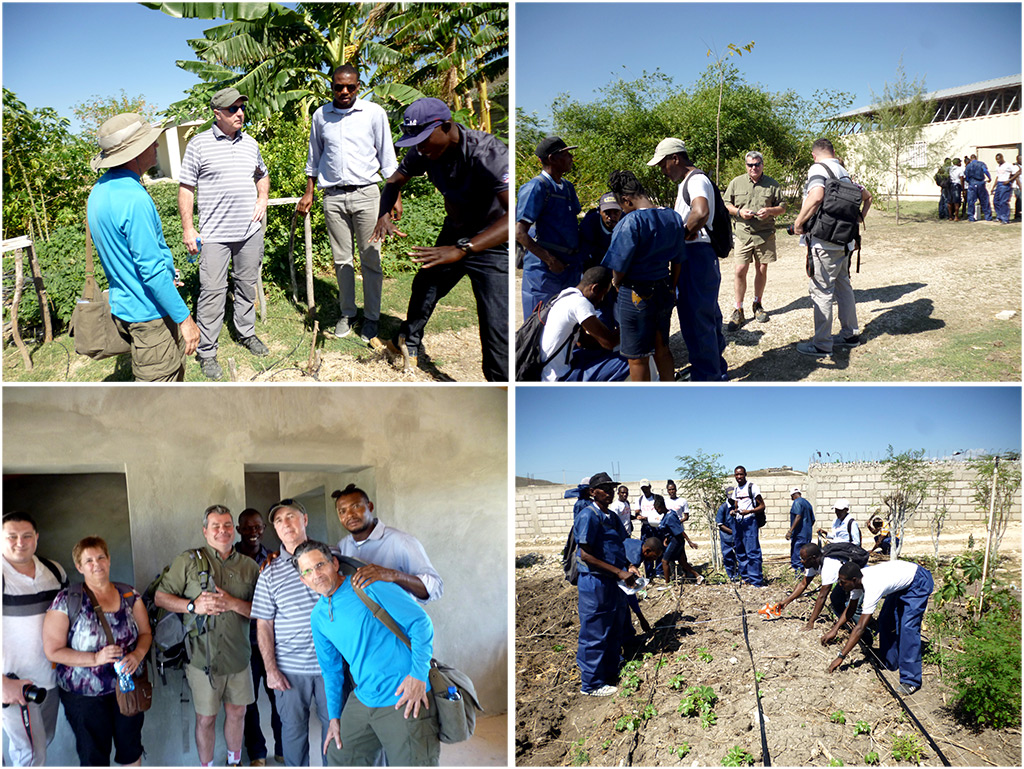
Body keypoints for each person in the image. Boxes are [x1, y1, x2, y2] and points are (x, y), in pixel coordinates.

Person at [372, 97, 509, 381]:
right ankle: (408, 341)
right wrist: (383, 213)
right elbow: (394, 181)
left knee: (496, 327)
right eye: (414, 141)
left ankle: (500, 389)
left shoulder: (488, 153)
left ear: (446, 127)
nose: (418, 147)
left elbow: (516, 216)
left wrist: (464, 249)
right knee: (426, 285)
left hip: (492, 241)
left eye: (423, 139)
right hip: (455, 232)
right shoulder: (424, 152)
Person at [296, 540, 439, 766]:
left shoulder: (367, 585)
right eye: (308, 571)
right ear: (303, 580)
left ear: (334, 563)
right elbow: (331, 671)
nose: (316, 575)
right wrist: (334, 718)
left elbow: (421, 623)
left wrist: (419, 675)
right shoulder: (318, 617)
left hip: (404, 693)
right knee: (340, 755)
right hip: (364, 697)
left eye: (320, 565)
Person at [87, 113, 201, 380]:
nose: (157, 146)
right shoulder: (133, 199)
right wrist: (185, 319)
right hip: (149, 314)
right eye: (151, 143)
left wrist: (165, 277)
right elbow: (150, 271)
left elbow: (121, 254)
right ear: (135, 153)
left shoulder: (99, 191)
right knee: (159, 398)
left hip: (125, 305)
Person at [298, 64, 398, 344]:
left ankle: (372, 318)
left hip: (368, 194)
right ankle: (347, 312)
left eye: (350, 87)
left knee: (370, 257)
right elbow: (313, 158)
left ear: (357, 86)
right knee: (342, 259)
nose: (344, 92)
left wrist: (394, 197)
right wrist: (309, 192)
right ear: (331, 86)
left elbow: (388, 158)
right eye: (338, 87)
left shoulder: (374, 113)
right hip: (333, 197)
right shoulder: (321, 115)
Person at [154, 505, 259, 767]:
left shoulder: (249, 566)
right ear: (205, 530)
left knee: (237, 713)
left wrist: (234, 603)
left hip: (239, 658)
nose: (222, 530)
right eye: (215, 526)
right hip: (201, 659)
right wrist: (192, 606)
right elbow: (160, 597)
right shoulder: (188, 561)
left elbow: (261, 612)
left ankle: (234, 763)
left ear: (233, 529)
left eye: (226, 525)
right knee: (206, 718)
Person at [178, 87, 270, 380]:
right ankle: (207, 351)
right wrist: (188, 228)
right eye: (233, 109)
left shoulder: (250, 144)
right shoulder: (198, 145)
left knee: (246, 285)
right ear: (217, 113)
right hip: (215, 234)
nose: (240, 113)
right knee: (212, 293)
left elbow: (262, 173)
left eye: (242, 108)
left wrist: (262, 199)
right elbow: (186, 188)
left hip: (249, 232)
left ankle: (246, 333)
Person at [42, 537, 150, 767]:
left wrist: (137, 655)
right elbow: (52, 651)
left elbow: (146, 634)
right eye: (88, 560)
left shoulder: (130, 595)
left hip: (127, 689)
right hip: (84, 697)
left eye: (101, 557)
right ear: (79, 567)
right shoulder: (67, 601)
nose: (96, 564)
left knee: (131, 750)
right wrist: (95, 658)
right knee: (94, 757)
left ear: (109, 560)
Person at [251, 501, 333, 766]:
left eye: (291, 517)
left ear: (305, 519)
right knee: (293, 736)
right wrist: (271, 669)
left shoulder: (330, 559)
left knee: (335, 731)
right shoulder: (269, 572)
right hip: (289, 671)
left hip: (331, 667)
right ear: (274, 529)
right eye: (278, 521)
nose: (285, 524)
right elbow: (263, 624)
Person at [648, 138, 728, 381]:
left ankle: (707, 378)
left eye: (664, 165)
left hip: (695, 256)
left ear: (676, 158)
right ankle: (715, 369)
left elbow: (700, 212)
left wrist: (679, 236)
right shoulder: (691, 181)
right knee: (706, 316)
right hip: (699, 257)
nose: (663, 171)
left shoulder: (696, 180)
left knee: (696, 320)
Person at [601, 170, 684, 381]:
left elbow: (619, 264)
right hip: (664, 288)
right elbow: (678, 260)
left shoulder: (630, 223)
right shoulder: (672, 217)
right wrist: (671, 287)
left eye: (621, 205)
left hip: (635, 293)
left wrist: (616, 283)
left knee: (637, 357)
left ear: (626, 200)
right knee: (662, 348)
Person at [792, 138, 872, 358]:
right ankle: (850, 335)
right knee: (843, 287)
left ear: (814, 155)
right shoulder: (843, 171)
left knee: (822, 291)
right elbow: (867, 197)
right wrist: (856, 222)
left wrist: (798, 224)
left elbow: (816, 196)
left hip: (824, 242)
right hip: (845, 241)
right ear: (833, 152)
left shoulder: (817, 169)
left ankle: (822, 344)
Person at [2, 512, 67, 767]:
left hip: (50, 679)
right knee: (31, 756)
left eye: (27, 536)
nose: (20, 542)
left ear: (37, 538)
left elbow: (67, 619)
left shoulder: (54, 570)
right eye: (12, 536)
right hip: (14, 684)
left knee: (43, 740)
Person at [824, 560, 933, 695]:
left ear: (853, 580)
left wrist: (841, 656)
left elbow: (860, 627)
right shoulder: (856, 583)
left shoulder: (872, 586)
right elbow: (851, 609)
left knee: (908, 628)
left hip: (918, 581)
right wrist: (834, 629)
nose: (839, 585)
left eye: (842, 582)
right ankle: (890, 661)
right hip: (901, 581)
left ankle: (911, 680)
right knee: (885, 620)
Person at [572, 472, 633, 696]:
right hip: (594, 581)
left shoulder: (612, 516)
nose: (609, 492)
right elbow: (586, 555)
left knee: (612, 626)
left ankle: (609, 673)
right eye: (604, 488)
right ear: (592, 492)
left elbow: (619, 544)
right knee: (594, 632)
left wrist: (629, 565)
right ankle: (591, 684)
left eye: (612, 488)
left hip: (612, 580)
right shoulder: (589, 516)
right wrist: (619, 571)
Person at [333, 484, 443, 603]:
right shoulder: (342, 545)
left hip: (396, 620)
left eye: (356, 506)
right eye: (342, 511)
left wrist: (393, 575)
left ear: (370, 507)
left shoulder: (401, 541)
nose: (349, 515)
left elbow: (435, 587)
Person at [517, 137, 584, 316]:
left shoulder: (568, 188)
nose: (571, 158)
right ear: (552, 158)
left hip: (569, 269)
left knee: (566, 323)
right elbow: (519, 233)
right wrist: (550, 260)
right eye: (566, 154)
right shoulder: (535, 188)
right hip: (543, 273)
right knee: (538, 325)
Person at [235, 509, 282, 766]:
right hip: (241, 644)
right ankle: (257, 753)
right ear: (239, 529)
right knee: (248, 703)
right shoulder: (228, 559)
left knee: (280, 699)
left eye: (258, 527)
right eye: (248, 528)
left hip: (272, 643)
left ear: (264, 528)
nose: (253, 532)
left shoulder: (275, 559)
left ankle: (283, 748)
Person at [723, 151, 786, 329]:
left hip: (765, 234)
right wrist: (739, 212)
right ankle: (738, 309)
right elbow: (726, 204)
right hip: (743, 233)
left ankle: (757, 304)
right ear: (746, 166)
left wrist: (770, 211)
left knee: (761, 268)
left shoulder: (772, 184)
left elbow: (783, 206)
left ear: (762, 165)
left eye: (757, 164)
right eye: (750, 165)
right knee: (740, 270)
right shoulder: (736, 182)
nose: (754, 168)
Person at [538, 266, 629, 382]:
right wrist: (630, 326)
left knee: (602, 352)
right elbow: (609, 342)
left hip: (546, 371)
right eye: (603, 295)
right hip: (560, 377)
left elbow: (583, 341)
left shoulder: (564, 296)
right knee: (631, 358)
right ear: (595, 289)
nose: (601, 300)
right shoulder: (580, 303)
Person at [776, 543, 854, 629]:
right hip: (846, 582)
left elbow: (822, 596)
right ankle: (848, 625)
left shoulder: (829, 566)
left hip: (857, 581)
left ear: (813, 558)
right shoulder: (813, 564)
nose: (801, 561)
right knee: (835, 599)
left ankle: (866, 630)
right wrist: (786, 601)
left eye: (803, 559)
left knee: (854, 607)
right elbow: (803, 584)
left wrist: (811, 622)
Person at [728, 466, 765, 587]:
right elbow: (736, 506)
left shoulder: (752, 487)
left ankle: (756, 580)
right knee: (741, 551)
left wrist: (749, 512)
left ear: (745, 474)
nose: (738, 477)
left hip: (750, 521)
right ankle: (745, 578)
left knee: (752, 551)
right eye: (736, 475)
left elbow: (762, 506)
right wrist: (734, 511)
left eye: (741, 474)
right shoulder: (736, 490)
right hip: (738, 523)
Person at [654, 494, 702, 585]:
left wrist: (689, 541)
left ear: (660, 507)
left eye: (657, 509)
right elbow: (671, 530)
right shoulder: (670, 513)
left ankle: (667, 583)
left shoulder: (670, 517)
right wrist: (667, 539)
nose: (657, 511)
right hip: (674, 540)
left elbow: (679, 531)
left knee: (664, 561)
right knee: (682, 562)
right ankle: (698, 576)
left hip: (676, 541)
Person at [622, 537, 663, 636]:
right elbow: (629, 592)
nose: (655, 560)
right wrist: (641, 618)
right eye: (654, 557)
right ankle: (627, 640)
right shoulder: (634, 558)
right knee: (622, 608)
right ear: (647, 550)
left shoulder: (637, 544)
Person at [579, 192, 623, 270]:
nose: (611, 217)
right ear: (600, 211)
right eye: (607, 213)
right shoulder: (589, 224)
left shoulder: (628, 222)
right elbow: (584, 255)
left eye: (616, 212)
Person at [785, 487, 816, 576]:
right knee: (806, 554)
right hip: (807, 534)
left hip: (799, 535)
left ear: (793, 495)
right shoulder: (807, 503)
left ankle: (798, 575)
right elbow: (813, 520)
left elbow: (798, 516)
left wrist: (790, 531)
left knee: (797, 555)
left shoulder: (797, 502)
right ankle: (807, 574)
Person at [715, 496, 740, 581]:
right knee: (728, 557)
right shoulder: (723, 508)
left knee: (740, 556)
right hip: (727, 538)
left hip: (738, 537)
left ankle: (741, 575)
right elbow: (720, 525)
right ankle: (732, 576)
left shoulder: (738, 506)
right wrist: (733, 532)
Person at [991, 153, 1020, 225]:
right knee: (996, 201)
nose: (998, 161)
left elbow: (1018, 172)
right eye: (996, 159)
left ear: (1002, 158)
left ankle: (1005, 218)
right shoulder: (998, 167)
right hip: (999, 184)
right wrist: (993, 187)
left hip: (1005, 184)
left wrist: (1009, 180)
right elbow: (997, 177)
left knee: (1003, 202)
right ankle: (999, 216)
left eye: (999, 159)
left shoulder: (1008, 165)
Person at [964, 154, 993, 222]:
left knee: (971, 201)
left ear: (971, 159)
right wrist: (989, 178)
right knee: (984, 200)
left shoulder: (968, 166)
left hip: (972, 184)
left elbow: (967, 176)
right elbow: (985, 170)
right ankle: (988, 216)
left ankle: (971, 217)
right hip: (980, 183)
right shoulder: (981, 164)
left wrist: (969, 181)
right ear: (976, 158)